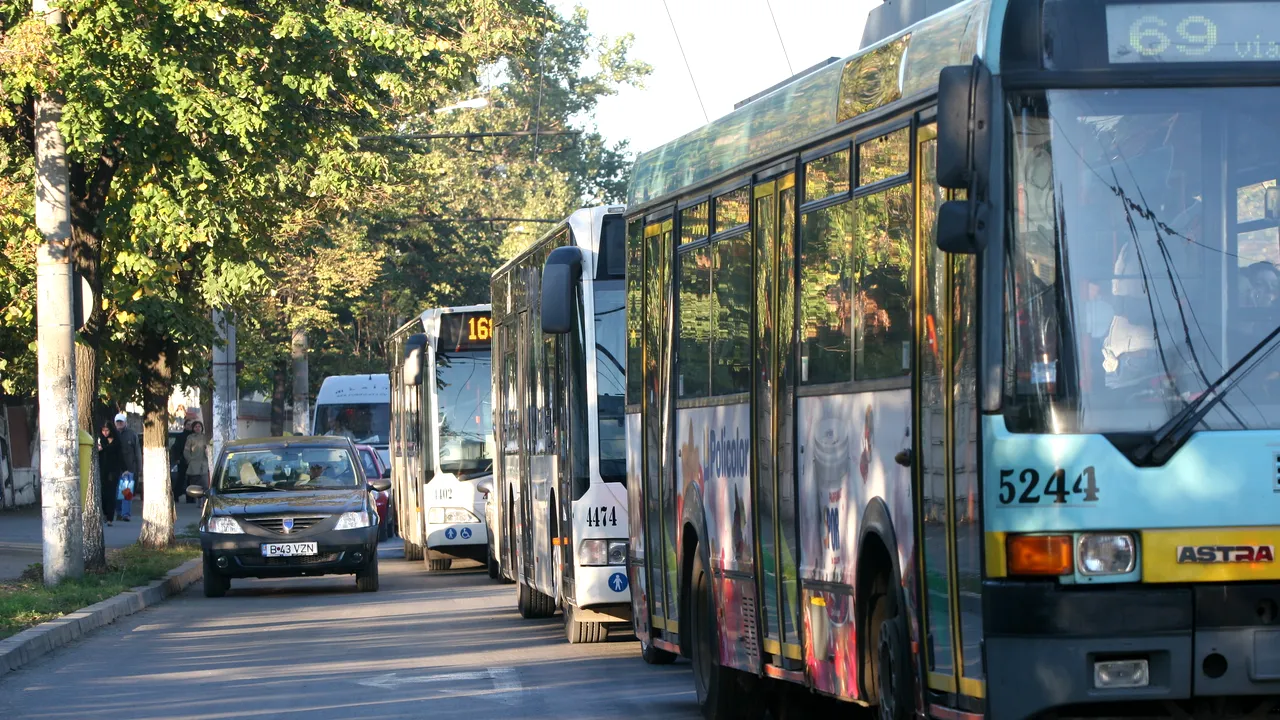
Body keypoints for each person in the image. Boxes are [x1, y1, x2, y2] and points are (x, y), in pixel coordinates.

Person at [113, 413, 141, 520]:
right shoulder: (112, 434)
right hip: (115, 468)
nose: (119, 424)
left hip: (129, 469)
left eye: (121, 422)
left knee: (126, 492)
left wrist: (139, 468)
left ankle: (126, 514)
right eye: (118, 422)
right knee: (116, 493)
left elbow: (137, 452)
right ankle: (119, 512)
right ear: (115, 423)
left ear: (125, 422)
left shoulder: (131, 434)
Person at [97, 421, 123, 527]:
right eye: (103, 430)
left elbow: (120, 456)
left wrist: (125, 469)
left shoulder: (116, 441)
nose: (105, 433)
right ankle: (104, 513)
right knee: (103, 494)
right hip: (102, 471)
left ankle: (110, 518)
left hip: (113, 471)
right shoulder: (100, 440)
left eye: (107, 430)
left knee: (111, 494)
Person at [184, 421, 209, 497]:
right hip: (194, 464)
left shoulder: (205, 437)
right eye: (196, 427)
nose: (198, 428)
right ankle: (197, 501)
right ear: (193, 428)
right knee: (195, 486)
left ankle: (204, 501)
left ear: (202, 428)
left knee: (205, 484)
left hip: (204, 464)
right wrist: (190, 460)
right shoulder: (190, 438)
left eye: (199, 426)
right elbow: (186, 451)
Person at [172, 419, 194, 502]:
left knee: (191, 480)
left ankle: (190, 498)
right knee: (181, 479)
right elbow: (176, 448)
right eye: (188, 425)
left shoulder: (194, 436)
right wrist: (177, 458)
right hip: (182, 460)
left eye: (191, 425)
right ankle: (176, 495)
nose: (189, 426)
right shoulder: (180, 436)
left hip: (192, 461)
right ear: (185, 426)